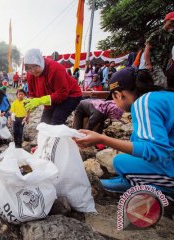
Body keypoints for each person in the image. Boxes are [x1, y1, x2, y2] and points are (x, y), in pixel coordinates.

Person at [74, 67, 174, 195]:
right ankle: (130, 182)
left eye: (114, 98)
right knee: (127, 158)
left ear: (118, 94)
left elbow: (156, 151)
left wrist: (102, 139)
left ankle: (161, 193)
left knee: (120, 162)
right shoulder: (164, 96)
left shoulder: (143, 102)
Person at [23, 48, 82, 125]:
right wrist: (27, 113)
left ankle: (58, 136)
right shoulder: (30, 75)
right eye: (29, 68)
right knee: (44, 123)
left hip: (70, 95)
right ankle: (46, 137)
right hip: (52, 97)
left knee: (56, 120)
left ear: (40, 61)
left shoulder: (55, 69)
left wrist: (40, 100)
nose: (33, 70)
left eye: (35, 66)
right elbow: (32, 95)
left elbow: (62, 93)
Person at [144, 11, 174, 87]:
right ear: (165, 21)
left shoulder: (171, 36)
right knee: (162, 83)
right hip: (154, 63)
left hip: (163, 64)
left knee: (158, 83)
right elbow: (147, 48)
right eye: (171, 21)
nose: (173, 24)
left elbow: (169, 48)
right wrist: (148, 64)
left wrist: (170, 58)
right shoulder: (156, 33)